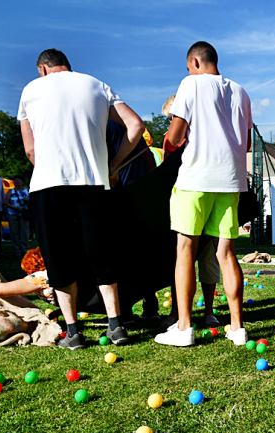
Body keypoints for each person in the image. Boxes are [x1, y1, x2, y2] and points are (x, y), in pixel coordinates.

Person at [18, 48, 145, 349]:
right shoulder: (97, 85)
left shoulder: (31, 90)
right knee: (101, 254)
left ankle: (73, 332)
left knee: (59, 259)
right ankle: (116, 326)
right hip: (93, 183)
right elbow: (136, 126)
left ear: (43, 69)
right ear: (68, 67)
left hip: (48, 185)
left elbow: (30, 150)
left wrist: (53, 168)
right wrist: (113, 166)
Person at [154, 42, 252, 347]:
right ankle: (237, 327)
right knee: (226, 253)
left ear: (194, 61)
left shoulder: (190, 83)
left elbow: (175, 135)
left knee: (185, 249)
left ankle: (184, 327)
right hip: (231, 179)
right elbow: (246, 143)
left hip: (196, 177)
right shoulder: (241, 92)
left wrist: (170, 139)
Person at [156, 94, 221, 331]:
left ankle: (209, 311)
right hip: (183, 202)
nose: (171, 122)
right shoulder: (169, 141)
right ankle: (178, 313)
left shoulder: (204, 138)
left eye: (173, 117)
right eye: (170, 118)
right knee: (182, 259)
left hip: (210, 199)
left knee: (209, 257)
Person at [3, 175, 30, 256]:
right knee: (14, 232)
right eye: (16, 180)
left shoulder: (26, 191)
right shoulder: (11, 191)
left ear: (23, 181)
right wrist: (14, 207)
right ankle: (17, 250)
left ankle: (25, 249)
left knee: (24, 232)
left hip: (23, 213)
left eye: (19, 179)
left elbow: (32, 201)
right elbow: (6, 202)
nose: (17, 181)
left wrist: (27, 201)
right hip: (12, 213)